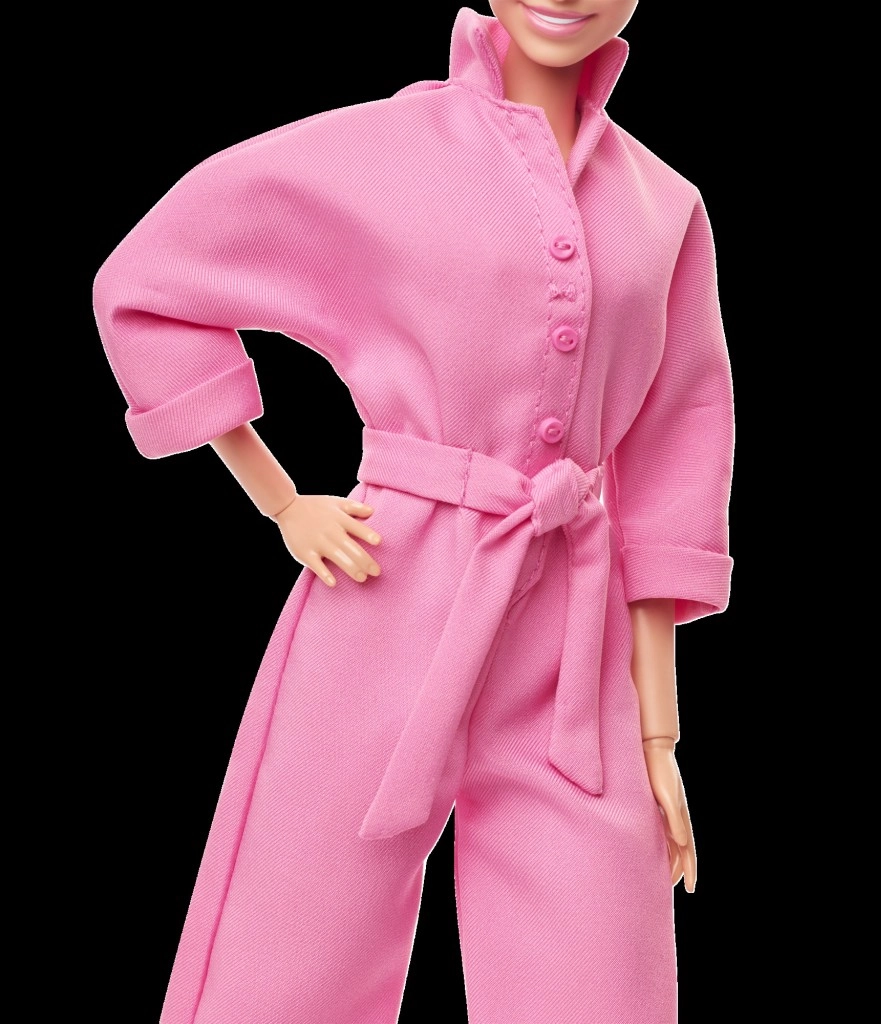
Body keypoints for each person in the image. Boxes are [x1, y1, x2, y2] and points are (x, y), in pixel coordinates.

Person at [93, 2, 735, 1021]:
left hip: (573, 638)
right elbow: (149, 281)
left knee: (597, 978)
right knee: (286, 952)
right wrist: (281, 502)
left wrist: (659, 731)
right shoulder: (383, 151)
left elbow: (676, 434)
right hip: (388, 583)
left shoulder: (666, 207)